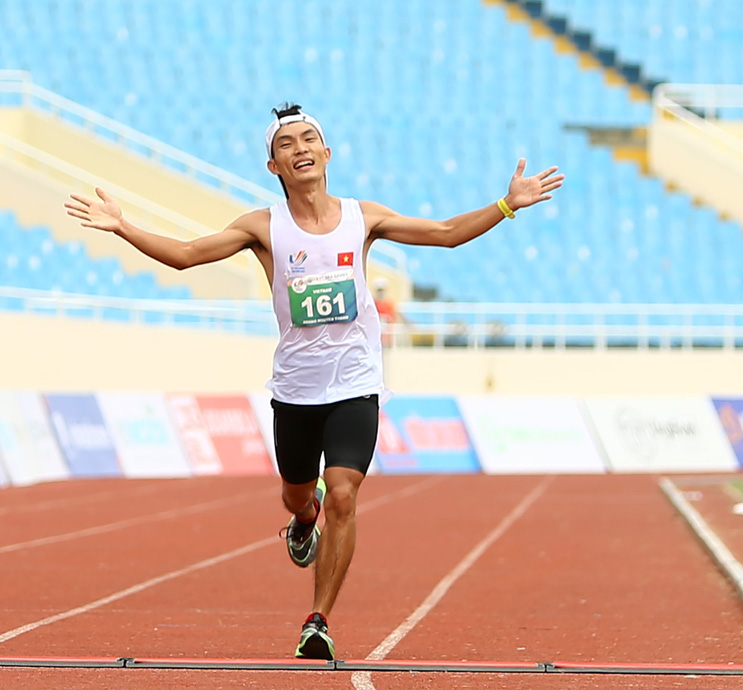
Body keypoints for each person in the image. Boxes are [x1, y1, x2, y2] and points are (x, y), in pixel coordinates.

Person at [64, 103, 563, 660]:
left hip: (355, 385)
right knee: (298, 496)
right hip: (296, 392)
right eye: (287, 144)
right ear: (273, 165)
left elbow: (444, 234)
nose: (299, 148)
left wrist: (506, 205)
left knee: (344, 494)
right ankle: (304, 520)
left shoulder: (363, 217)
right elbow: (185, 256)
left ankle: (317, 620)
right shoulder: (262, 226)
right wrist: (123, 226)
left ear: (327, 154)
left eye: (309, 139)